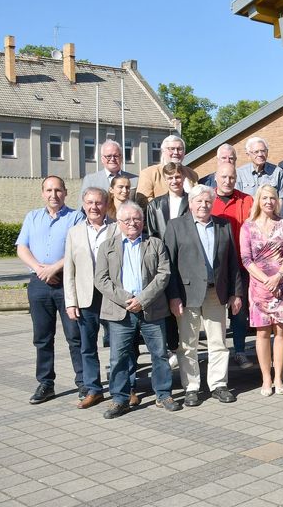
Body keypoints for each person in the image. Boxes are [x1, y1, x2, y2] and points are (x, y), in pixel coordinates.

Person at [94, 202, 181, 418]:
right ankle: (120, 398)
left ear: (143, 221)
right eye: (127, 220)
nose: (132, 223)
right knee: (118, 358)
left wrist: (142, 299)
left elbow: (163, 274)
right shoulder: (107, 246)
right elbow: (101, 280)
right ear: (119, 223)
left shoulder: (155, 244)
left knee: (159, 355)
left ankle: (163, 394)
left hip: (151, 308)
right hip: (120, 311)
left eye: (137, 219)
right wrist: (128, 299)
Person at [165, 185, 245, 406]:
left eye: (207, 201)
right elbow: (168, 265)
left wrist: (235, 293)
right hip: (186, 294)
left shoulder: (223, 225)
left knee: (218, 342)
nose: (203, 205)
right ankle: (191, 387)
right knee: (187, 344)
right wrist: (173, 296)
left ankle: (218, 384)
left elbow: (232, 263)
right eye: (198, 201)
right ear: (190, 203)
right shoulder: (176, 226)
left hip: (215, 292)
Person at [17, 176, 85, 404]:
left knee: (75, 336)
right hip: (39, 284)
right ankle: (46, 384)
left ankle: (84, 383)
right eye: (49, 190)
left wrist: (55, 268)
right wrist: (39, 270)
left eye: (58, 190)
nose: (53, 194)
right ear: (42, 193)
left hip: (66, 282)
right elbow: (22, 247)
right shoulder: (32, 217)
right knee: (42, 337)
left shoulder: (76, 216)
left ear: (65, 192)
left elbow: (79, 248)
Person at [64, 187, 118, 409]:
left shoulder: (117, 228)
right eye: (89, 203)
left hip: (113, 297)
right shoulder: (74, 232)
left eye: (98, 203)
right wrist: (70, 301)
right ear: (84, 204)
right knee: (87, 347)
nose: (94, 207)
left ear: (106, 205)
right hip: (86, 298)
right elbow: (69, 269)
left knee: (119, 346)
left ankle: (122, 389)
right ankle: (93, 389)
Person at [240, 185, 283, 397]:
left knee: (281, 332)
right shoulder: (248, 226)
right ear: (258, 200)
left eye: (272, 198)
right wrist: (265, 280)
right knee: (262, 333)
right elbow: (246, 259)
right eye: (265, 198)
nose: (269, 202)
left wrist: (278, 277)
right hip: (259, 288)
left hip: (282, 286)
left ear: (277, 201)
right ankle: (266, 378)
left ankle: (279, 377)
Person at [210, 163, 255, 369]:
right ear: (216, 178)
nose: (228, 181)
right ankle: (217, 352)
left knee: (239, 310)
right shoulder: (207, 199)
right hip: (216, 266)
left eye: (231, 177)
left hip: (241, 264)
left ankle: (239, 350)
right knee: (216, 312)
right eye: (224, 177)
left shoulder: (247, 200)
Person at [145, 162, 189, 363]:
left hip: (186, 262)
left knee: (186, 308)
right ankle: (172, 348)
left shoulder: (192, 201)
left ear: (183, 177)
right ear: (165, 180)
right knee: (167, 307)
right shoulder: (155, 205)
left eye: (177, 177)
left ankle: (186, 348)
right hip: (164, 262)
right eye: (170, 178)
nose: (174, 181)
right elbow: (152, 234)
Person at [136, 135, 198, 203]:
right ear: (163, 151)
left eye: (179, 149)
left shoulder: (192, 174)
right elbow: (143, 201)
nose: (176, 152)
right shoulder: (148, 173)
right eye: (171, 149)